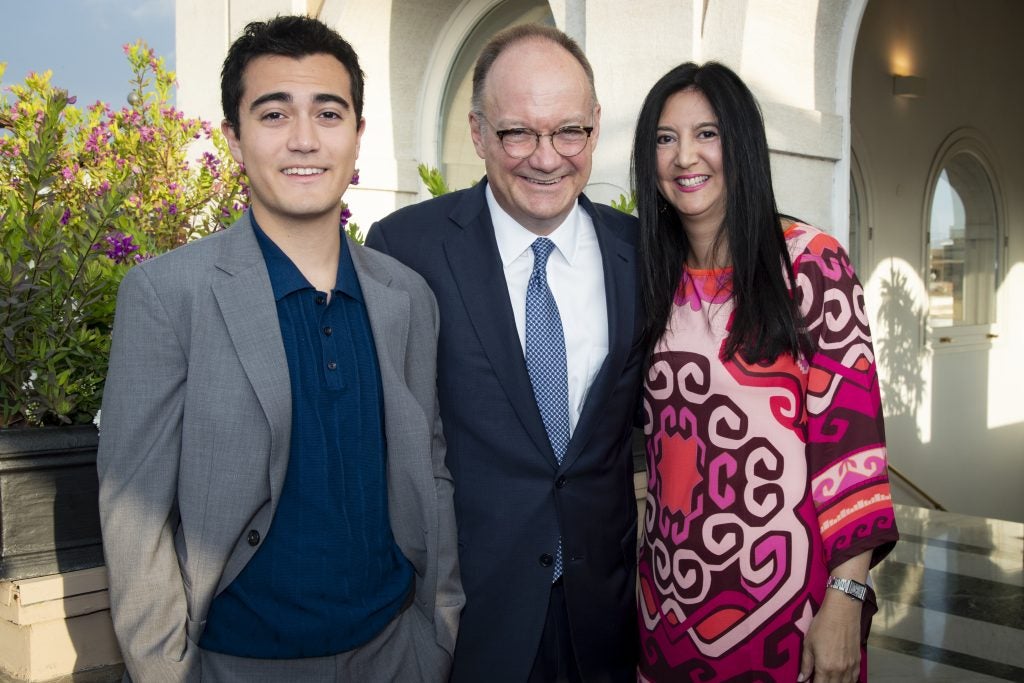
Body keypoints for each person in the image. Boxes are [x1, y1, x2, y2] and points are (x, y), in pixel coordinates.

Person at [96, 16, 462, 682]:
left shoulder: (407, 297)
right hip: (232, 663)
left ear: (357, 136)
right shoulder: (167, 293)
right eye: (273, 113)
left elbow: (430, 472)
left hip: (395, 654)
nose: (304, 139)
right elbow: (132, 508)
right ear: (234, 139)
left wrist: (436, 633)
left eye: (328, 113)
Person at [366, 23, 642, 683]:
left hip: (602, 619)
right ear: (478, 132)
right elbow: (384, 441)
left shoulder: (643, 253)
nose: (546, 157)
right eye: (518, 131)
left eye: (568, 130)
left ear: (596, 127)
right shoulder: (408, 248)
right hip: (467, 624)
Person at [630, 62, 899, 683]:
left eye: (707, 133)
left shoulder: (810, 265)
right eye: (664, 139)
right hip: (666, 603)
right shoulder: (650, 278)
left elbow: (855, 452)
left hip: (787, 609)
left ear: (742, 142)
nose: (684, 156)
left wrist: (846, 598)